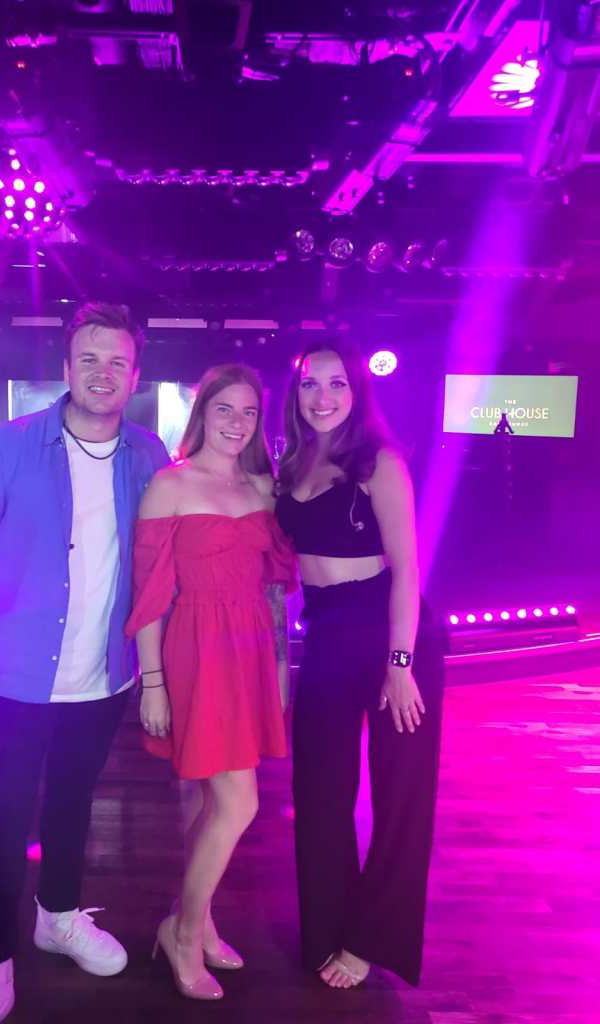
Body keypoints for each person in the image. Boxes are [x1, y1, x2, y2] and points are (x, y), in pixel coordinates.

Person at [0, 302, 169, 1024]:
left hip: (103, 678)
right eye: (88, 359)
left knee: (73, 805)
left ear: (135, 374)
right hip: (9, 678)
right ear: (67, 368)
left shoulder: (149, 455)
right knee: (0, 825)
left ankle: (58, 917)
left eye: (117, 361)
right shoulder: (9, 447)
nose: (103, 373)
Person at [275, 341, 445, 990]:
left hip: (391, 632)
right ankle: (328, 928)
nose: (322, 397)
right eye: (310, 384)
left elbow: (407, 570)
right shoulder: (291, 463)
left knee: (400, 795)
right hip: (326, 633)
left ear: (357, 392)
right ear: (295, 394)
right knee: (319, 790)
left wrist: (400, 665)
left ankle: (372, 938)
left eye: (337, 383)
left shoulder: (379, 461)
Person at [125, 364, 295, 1001]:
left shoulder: (261, 487)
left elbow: (274, 593)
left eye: (249, 412)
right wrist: (153, 683)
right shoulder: (169, 485)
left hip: (250, 651)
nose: (237, 422)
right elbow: (149, 596)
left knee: (207, 802)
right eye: (225, 409)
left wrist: (279, 667)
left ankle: (199, 921)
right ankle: (184, 933)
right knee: (238, 803)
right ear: (202, 413)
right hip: (196, 649)